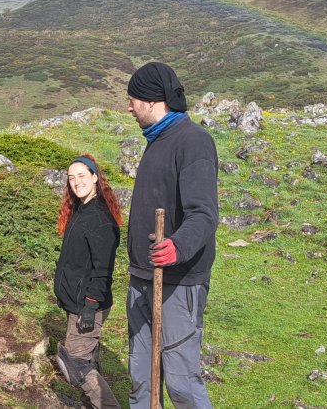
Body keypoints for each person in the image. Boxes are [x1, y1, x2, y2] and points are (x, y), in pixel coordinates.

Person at [124, 62, 218, 409]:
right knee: (141, 380)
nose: (129, 107)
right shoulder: (158, 140)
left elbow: (204, 213)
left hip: (177, 281)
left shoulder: (193, 142)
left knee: (181, 383)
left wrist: (177, 245)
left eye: (133, 98)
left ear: (152, 99)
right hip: (143, 278)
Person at [53, 155, 124, 409]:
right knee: (87, 362)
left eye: (82, 175)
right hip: (77, 302)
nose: (76, 182)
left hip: (87, 305)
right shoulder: (81, 211)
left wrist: (90, 305)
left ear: (95, 177)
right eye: (71, 178)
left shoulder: (100, 220)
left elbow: (103, 270)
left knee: (77, 364)